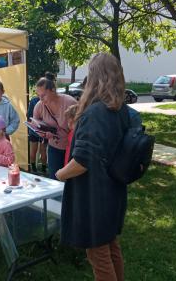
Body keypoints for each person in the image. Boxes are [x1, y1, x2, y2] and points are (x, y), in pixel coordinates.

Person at [55, 53, 129, 281]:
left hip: (95, 196)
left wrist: (60, 173)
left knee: (98, 254)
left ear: (94, 77)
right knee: (110, 246)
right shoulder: (121, 110)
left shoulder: (95, 113)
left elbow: (82, 161)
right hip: (113, 190)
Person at [33, 73, 77, 180]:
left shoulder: (69, 102)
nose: (41, 99)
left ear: (53, 90)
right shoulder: (39, 106)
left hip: (72, 148)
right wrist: (42, 133)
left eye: (43, 95)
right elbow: (35, 123)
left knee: (72, 179)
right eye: (38, 96)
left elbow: (82, 125)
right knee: (55, 178)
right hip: (54, 148)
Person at [27, 95, 47, 174]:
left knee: (33, 150)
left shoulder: (34, 100)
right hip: (45, 129)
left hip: (34, 128)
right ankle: (44, 170)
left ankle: (33, 169)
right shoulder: (48, 99)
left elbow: (28, 115)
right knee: (43, 151)